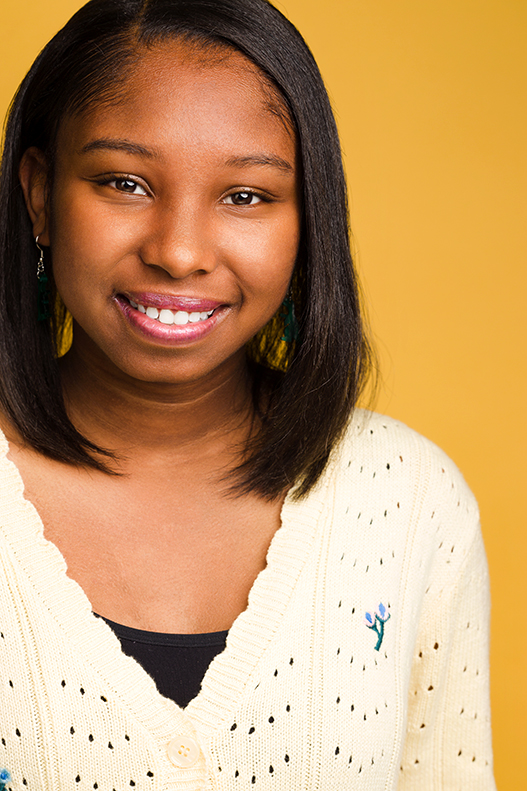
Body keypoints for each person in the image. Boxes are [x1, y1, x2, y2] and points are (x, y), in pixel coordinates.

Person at [0, 0, 496, 788]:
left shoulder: (409, 503)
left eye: (246, 196)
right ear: (39, 195)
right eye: (124, 182)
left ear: (307, 222)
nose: (179, 251)